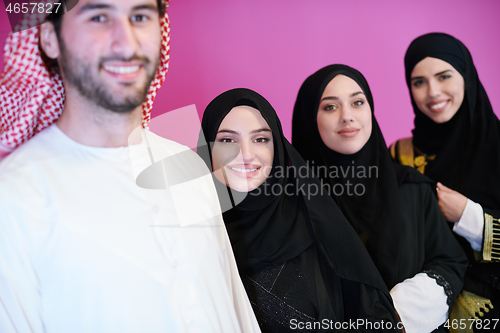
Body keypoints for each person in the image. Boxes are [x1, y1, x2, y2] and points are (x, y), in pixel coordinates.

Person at [0, 1, 260, 332]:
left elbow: (232, 308)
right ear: (49, 39)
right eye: (98, 17)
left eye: (139, 17)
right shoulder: (15, 197)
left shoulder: (187, 167)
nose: (127, 43)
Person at [198, 88, 405, 332]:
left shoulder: (316, 226)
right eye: (228, 140)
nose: (245, 154)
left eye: (261, 139)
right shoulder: (193, 238)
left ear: (278, 148)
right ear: (207, 149)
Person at [292, 65, 468, 333]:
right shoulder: (294, 203)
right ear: (309, 119)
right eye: (330, 107)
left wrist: (396, 313)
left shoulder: (412, 188)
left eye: (357, 102)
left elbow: (449, 261)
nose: (347, 116)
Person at [390, 33, 500, 329]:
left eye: (444, 76)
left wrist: (469, 215)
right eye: (419, 82)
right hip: (414, 309)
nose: (433, 92)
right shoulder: (400, 155)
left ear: (466, 75)